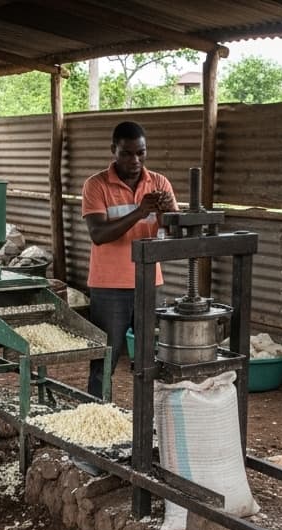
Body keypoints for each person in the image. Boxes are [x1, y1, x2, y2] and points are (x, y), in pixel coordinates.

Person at [81, 120, 177, 397]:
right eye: (127, 153)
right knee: (105, 358)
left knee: (152, 356)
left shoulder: (159, 182)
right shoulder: (96, 185)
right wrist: (139, 211)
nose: (135, 160)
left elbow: (173, 230)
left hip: (149, 282)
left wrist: (168, 213)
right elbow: (98, 233)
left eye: (141, 153)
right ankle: (97, 419)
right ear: (113, 150)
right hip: (109, 286)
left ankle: (151, 416)